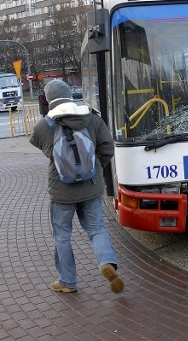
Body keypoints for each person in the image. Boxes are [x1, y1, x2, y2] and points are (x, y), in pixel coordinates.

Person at [29, 79, 123, 294]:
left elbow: (44, 148)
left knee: (62, 235)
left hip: (62, 190)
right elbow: (107, 147)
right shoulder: (91, 117)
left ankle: (67, 282)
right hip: (91, 186)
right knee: (96, 229)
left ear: (48, 98)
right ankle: (107, 263)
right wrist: (96, 169)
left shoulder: (45, 124)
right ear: (69, 93)